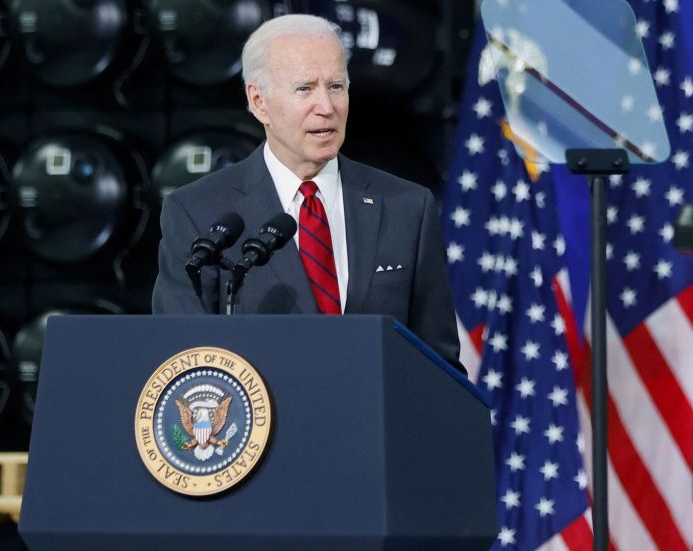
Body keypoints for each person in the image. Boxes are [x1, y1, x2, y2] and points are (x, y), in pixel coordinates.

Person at [152, 14, 463, 374]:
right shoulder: (197, 212)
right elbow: (181, 369)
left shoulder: (407, 207)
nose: (327, 107)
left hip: (376, 427)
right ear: (259, 102)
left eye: (336, 87)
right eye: (305, 89)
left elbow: (441, 369)